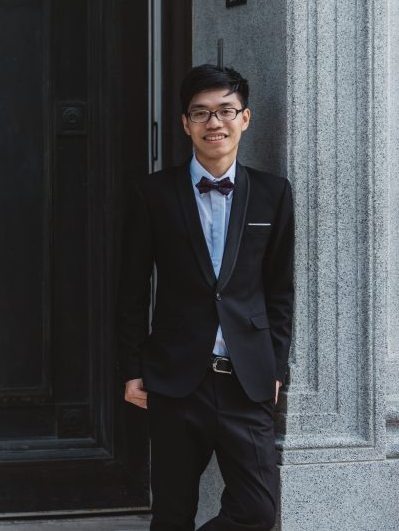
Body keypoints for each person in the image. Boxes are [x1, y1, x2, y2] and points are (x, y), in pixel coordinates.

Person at [117, 65, 295, 530]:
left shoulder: (273, 194)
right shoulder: (152, 193)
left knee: (258, 510)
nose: (214, 123)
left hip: (247, 382)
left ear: (245, 118)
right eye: (201, 113)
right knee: (173, 513)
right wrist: (133, 370)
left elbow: (280, 291)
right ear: (185, 124)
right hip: (177, 381)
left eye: (225, 111)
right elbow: (132, 290)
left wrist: (276, 367)